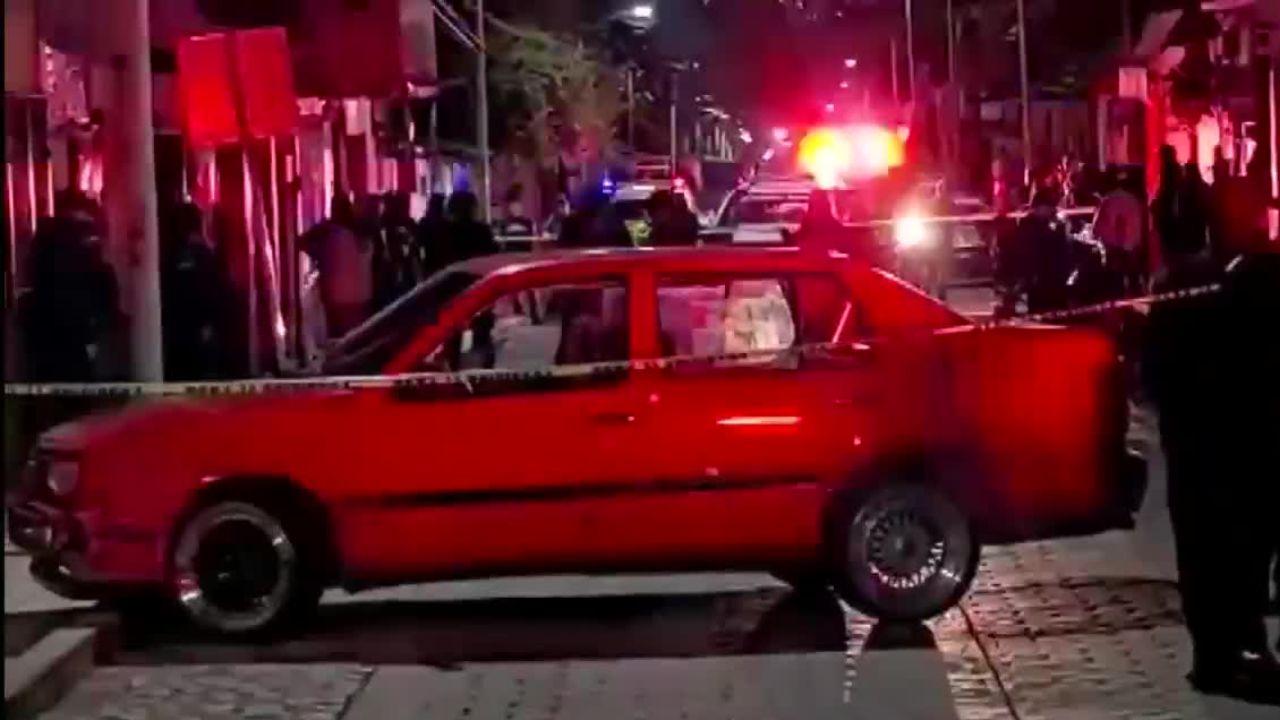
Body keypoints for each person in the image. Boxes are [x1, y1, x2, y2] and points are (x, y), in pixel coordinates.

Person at [1144, 233, 1280, 705]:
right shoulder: (1249, 286)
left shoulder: (1183, 289)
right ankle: (1236, 646)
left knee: (1205, 552)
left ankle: (1217, 654)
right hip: (1238, 444)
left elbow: (1153, 378)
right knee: (1241, 549)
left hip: (1198, 446)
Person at [19, 191, 120, 382]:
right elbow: (91, 288)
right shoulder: (80, 244)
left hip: (46, 330)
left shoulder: (46, 239)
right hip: (73, 329)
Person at [160, 202, 227, 380]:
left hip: (181, 326)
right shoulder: (203, 254)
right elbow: (213, 291)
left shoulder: (173, 253)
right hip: (194, 326)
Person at [300, 195, 373, 338]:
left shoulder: (330, 232)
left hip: (337, 297)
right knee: (359, 337)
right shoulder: (364, 232)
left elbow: (303, 242)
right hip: (362, 296)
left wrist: (319, 256)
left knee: (340, 338)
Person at [1014, 189, 1071, 314]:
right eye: (1049, 206)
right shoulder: (1029, 224)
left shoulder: (1047, 223)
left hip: (1050, 277)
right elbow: (1032, 250)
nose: (1052, 210)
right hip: (1039, 276)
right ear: (1039, 207)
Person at [1093, 167, 1145, 295]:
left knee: (1116, 286)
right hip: (1133, 247)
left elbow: (1097, 229)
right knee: (1134, 281)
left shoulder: (1107, 201)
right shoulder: (1133, 200)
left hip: (1115, 250)